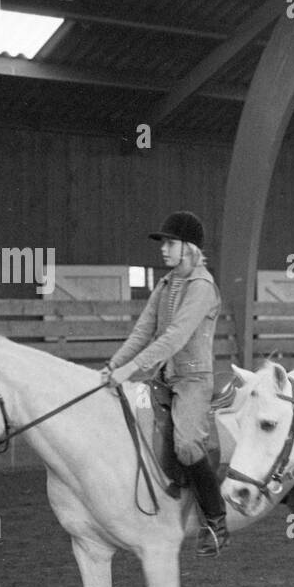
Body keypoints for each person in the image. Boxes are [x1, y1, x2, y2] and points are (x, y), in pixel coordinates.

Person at [100, 211, 229, 556]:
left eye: (170, 243)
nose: (163, 249)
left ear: (188, 247)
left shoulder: (202, 287)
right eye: (164, 243)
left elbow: (174, 337)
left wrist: (129, 371)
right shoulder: (165, 284)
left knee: (187, 446)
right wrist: (114, 364)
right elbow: (143, 331)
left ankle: (216, 520)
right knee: (159, 457)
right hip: (164, 379)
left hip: (193, 380)